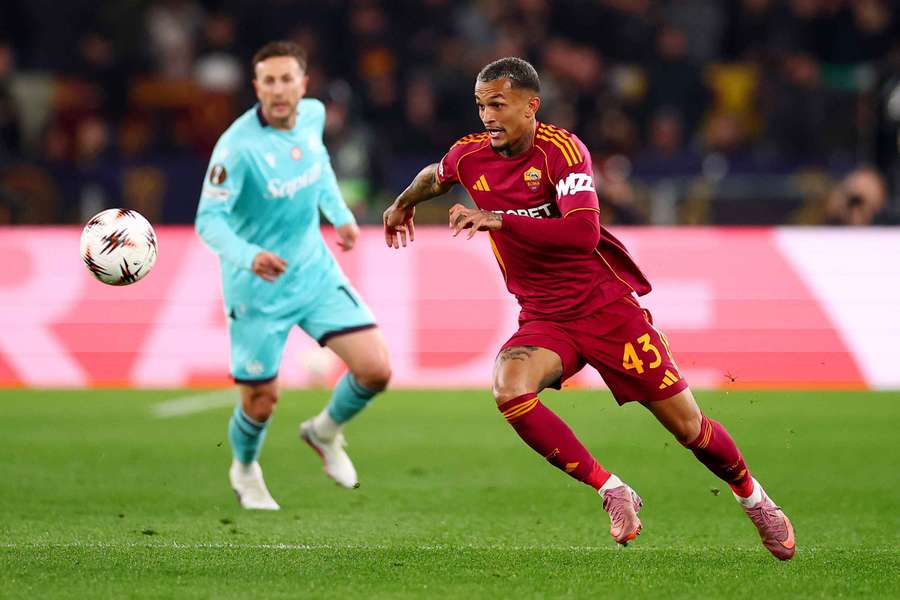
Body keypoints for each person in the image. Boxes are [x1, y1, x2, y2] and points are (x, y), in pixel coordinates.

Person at [383, 57, 794, 560]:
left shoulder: (562, 151)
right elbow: (436, 175)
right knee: (508, 388)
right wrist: (403, 201)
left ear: (531, 106)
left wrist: (501, 220)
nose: (487, 115)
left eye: (498, 104)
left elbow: (582, 234)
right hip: (544, 318)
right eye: (480, 105)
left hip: (606, 310)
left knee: (689, 428)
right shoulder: (470, 156)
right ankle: (612, 490)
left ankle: (755, 499)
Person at [196, 41, 391, 510]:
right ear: (256, 86)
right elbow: (209, 221)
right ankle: (244, 469)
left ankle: (324, 432)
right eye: (269, 81)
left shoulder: (313, 115)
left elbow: (319, 165)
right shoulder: (237, 148)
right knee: (261, 401)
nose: (279, 90)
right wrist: (249, 256)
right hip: (257, 287)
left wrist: (339, 214)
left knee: (375, 369)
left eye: (288, 80)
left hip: (313, 271)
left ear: (303, 84)